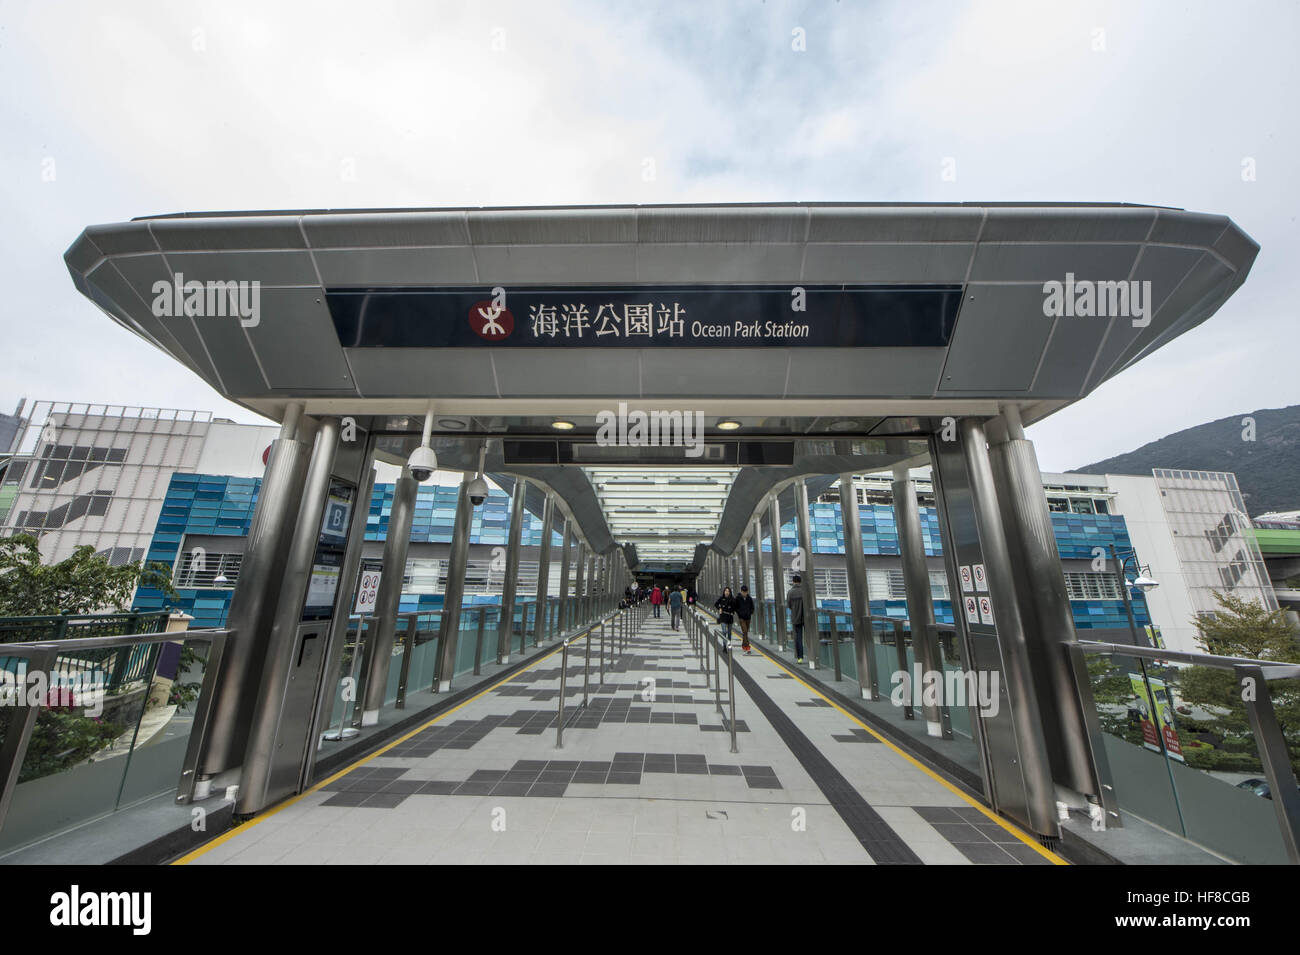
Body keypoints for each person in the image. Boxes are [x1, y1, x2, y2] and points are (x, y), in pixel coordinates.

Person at [786, 574, 805, 663]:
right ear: (801, 581)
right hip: (806, 617)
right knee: (810, 636)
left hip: (796, 616)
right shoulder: (804, 591)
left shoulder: (790, 592)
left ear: (793, 582)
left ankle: (800, 657)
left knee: (798, 637)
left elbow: (789, 605)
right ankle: (813, 656)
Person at [735, 584, 755, 654]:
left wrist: (750, 613)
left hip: (748, 618)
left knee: (745, 632)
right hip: (741, 618)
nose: (744, 593)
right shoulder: (738, 598)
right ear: (741, 591)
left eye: (745, 592)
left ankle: (744, 645)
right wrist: (739, 613)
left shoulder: (749, 598)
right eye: (743, 592)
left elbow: (752, 607)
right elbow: (736, 607)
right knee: (745, 631)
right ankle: (747, 646)